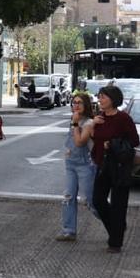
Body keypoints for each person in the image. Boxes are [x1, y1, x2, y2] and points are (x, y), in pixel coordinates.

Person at [91, 85, 140, 252]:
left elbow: (134, 141)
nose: (100, 99)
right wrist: (92, 123)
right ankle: (116, 227)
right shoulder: (99, 117)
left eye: (103, 97)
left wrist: (112, 144)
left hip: (119, 166)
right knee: (97, 200)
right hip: (102, 165)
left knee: (119, 204)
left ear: (113, 99)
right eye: (99, 96)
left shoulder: (123, 118)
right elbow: (93, 138)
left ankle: (115, 243)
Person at [56, 91, 97, 242]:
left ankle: (111, 221)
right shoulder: (74, 119)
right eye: (74, 102)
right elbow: (72, 141)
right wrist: (68, 151)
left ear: (86, 105)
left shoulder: (88, 123)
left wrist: (75, 123)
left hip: (86, 165)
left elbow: (80, 142)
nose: (76, 105)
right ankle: (68, 231)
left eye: (79, 103)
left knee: (90, 200)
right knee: (68, 196)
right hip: (71, 164)